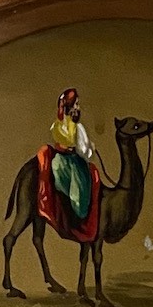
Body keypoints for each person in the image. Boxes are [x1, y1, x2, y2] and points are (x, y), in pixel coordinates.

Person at [45, 88, 103, 227]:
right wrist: (91, 150)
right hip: (73, 162)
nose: (78, 107)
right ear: (70, 107)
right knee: (82, 182)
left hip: (58, 162)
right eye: (76, 104)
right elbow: (84, 151)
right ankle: (80, 215)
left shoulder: (56, 126)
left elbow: (59, 144)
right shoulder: (78, 127)